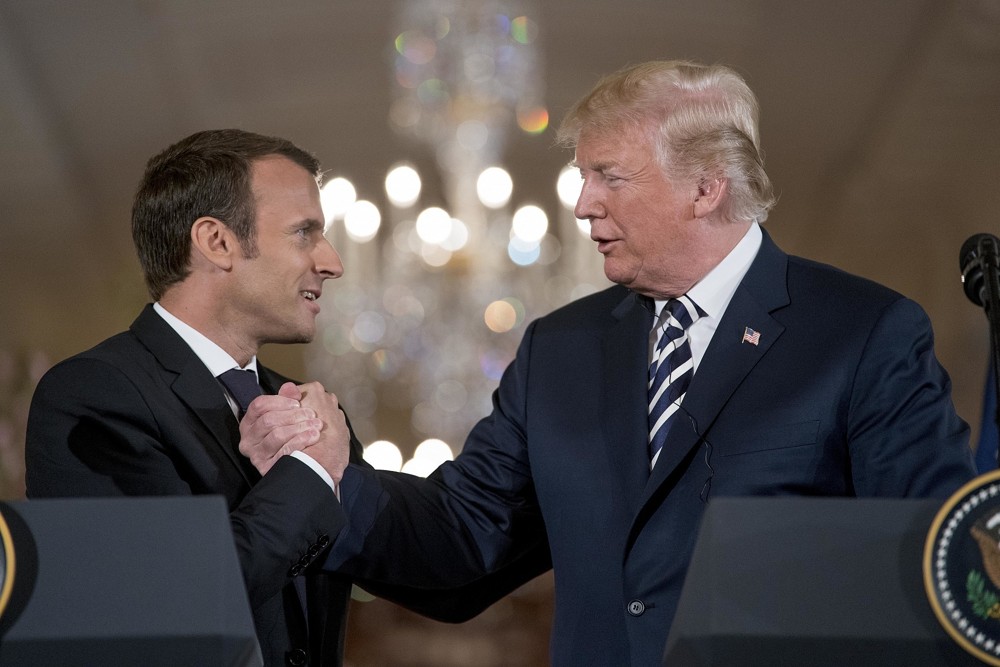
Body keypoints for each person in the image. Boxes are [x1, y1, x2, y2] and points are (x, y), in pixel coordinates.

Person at [318, 61, 979, 666]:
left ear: (705, 187)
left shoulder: (862, 333)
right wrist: (325, 479)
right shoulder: (559, 349)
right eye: (582, 177)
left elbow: (932, 565)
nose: (583, 204)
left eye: (610, 175)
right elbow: (461, 536)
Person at [25, 129, 359, 667]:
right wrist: (309, 474)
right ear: (217, 242)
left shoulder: (308, 411)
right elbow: (167, 596)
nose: (332, 262)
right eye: (304, 233)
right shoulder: (93, 393)